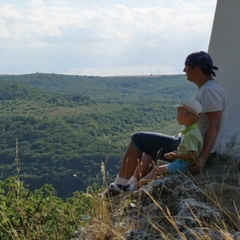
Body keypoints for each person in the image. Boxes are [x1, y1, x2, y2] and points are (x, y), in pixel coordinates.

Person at [102, 51, 227, 198]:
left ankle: (119, 187)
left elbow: (214, 124)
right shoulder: (209, 88)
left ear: (196, 69)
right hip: (190, 143)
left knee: (138, 139)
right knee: (150, 146)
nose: (184, 70)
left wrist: (203, 158)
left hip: (191, 148)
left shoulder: (210, 91)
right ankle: (131, 183)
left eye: (186, 66)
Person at [125, 99, 203, 191]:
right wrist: (177, 151)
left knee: (156, 170)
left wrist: (176, 155)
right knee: (160, 165)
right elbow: (188, 149)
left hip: (183, 165)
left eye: (178, 114)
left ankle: (134, 187)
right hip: (182, 163)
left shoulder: (190, 135)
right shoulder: (192, 131)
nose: (176, 117)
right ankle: (135, 183)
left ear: (185, 115)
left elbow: (194, 155)